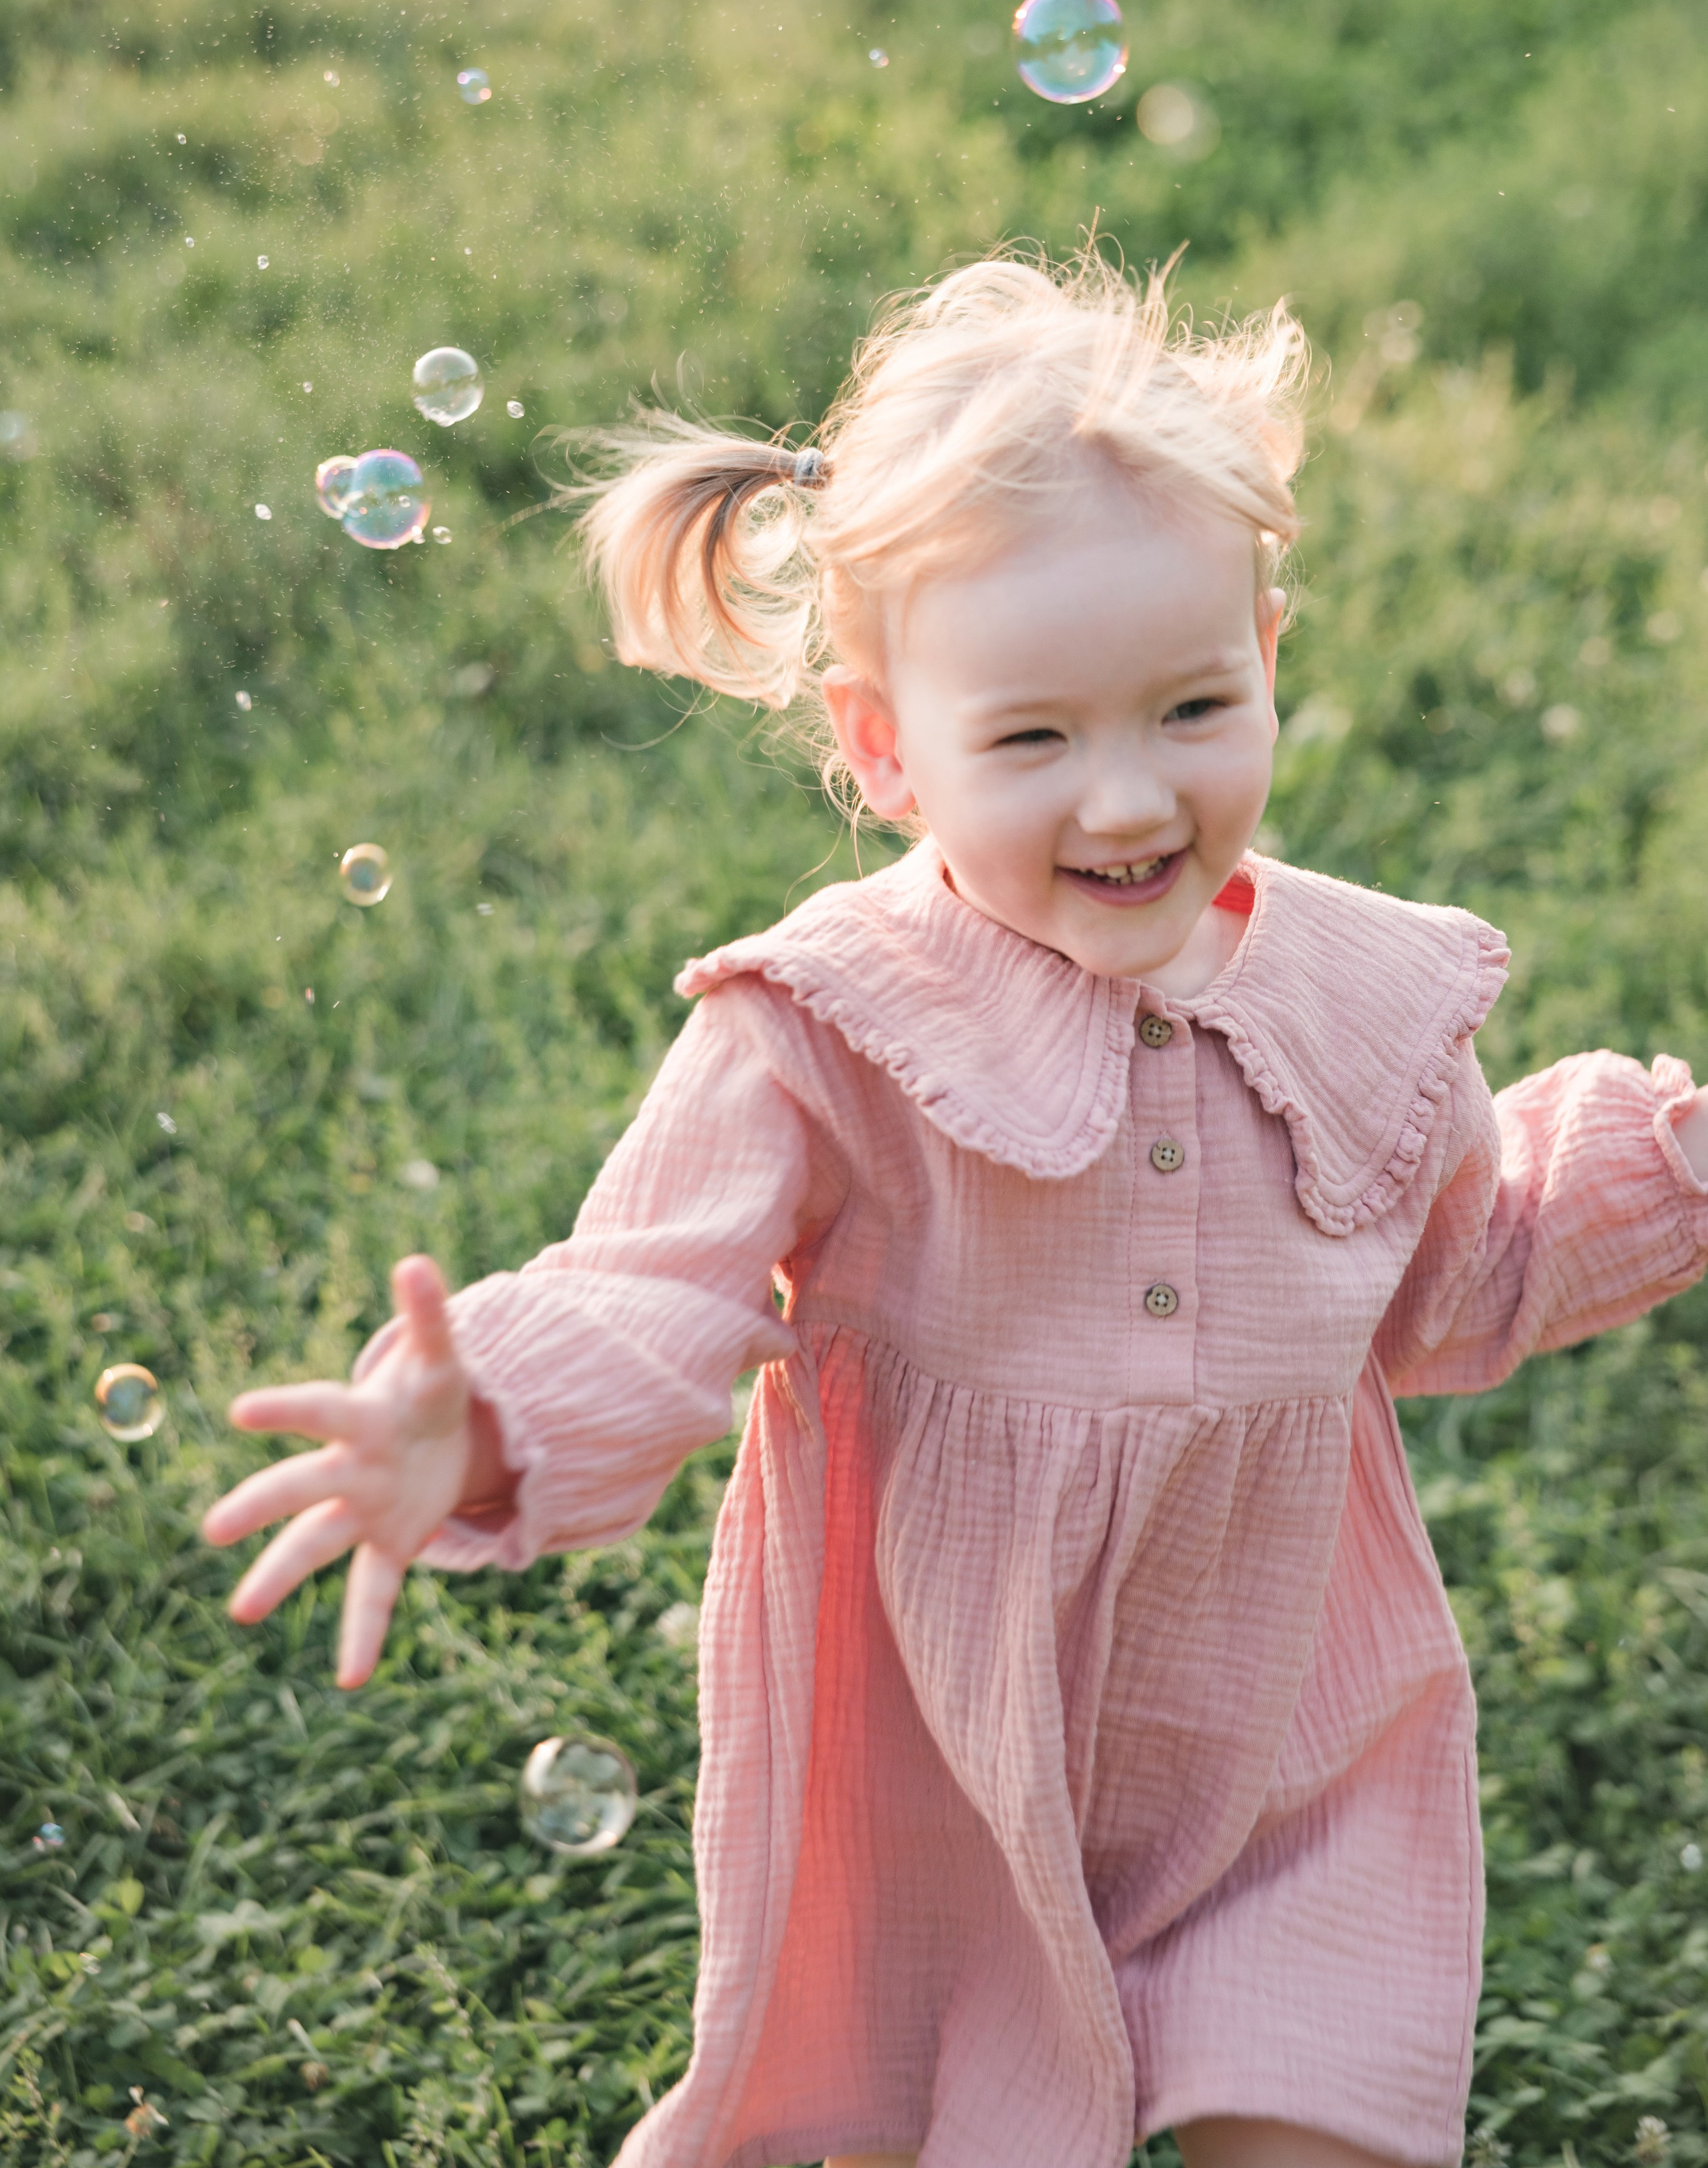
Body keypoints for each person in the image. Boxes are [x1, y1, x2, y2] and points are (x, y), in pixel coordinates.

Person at [203, 251, 1708, 2168]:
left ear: (1269, 638)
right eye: (1032, 738)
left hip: (1295, 1731)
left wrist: (1678, 1161)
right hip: (945, 1755)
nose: (1126, 794)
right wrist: (483, 1409)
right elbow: (653, 1288)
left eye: (1190, 703)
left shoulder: (1365, 999)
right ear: (884, 743)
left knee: (1329, 2114)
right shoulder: (828, 1024)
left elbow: (1464, 1275)